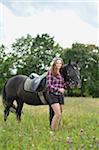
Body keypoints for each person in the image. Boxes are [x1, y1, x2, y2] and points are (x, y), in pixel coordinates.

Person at [46, 57, 65, 131]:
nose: (59, 64)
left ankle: (56, 129)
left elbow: (62, 85)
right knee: (58, 114)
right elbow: (49, 85)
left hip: (60, 96)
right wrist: (58, 89)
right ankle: (52, 131)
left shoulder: (61, 74)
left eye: (60, 63)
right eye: (57, 63)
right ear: (54, 64)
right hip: (52, 95)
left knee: (59, 115)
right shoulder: (50, 72)